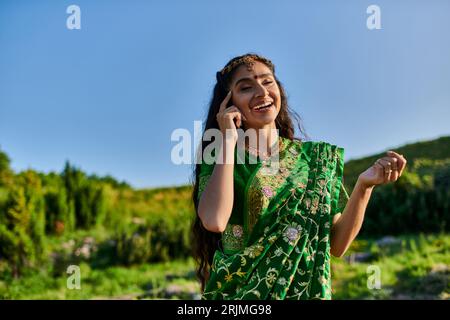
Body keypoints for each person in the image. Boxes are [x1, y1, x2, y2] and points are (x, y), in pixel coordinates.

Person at [191, 53, 407, 300]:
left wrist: (364, 186)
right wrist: (227, 138)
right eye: (246, 88)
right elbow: (214, 220)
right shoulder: (220, 155)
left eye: (267, 81)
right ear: (229, 104)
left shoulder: (314, 161)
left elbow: (336, 245)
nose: (261, 92)